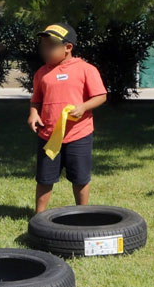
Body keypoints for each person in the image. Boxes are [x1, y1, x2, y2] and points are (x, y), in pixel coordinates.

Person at [28, 22, 107, 214]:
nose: (45, 51)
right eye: (43, 46)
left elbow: (101, 96)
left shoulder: (86, 69)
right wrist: (33, 114)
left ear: (68, 47)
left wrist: (84, 107)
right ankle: (39, 215)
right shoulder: (42, 73)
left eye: (51, 46)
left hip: (78, 135)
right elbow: (36, 100)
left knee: (80, 178)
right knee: (44, 178)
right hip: (49, 136)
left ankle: (82, 213)